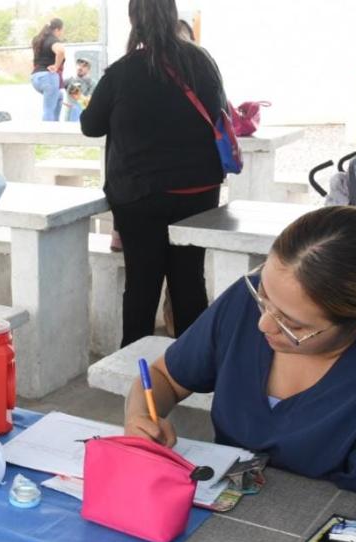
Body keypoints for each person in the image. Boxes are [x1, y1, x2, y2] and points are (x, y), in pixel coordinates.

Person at [125, 200, 356, 503]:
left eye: (292, 325)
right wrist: (140, 416)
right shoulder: (245, 304)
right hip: (218, 511)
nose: (263, 325)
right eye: (264, 296)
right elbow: (164, 376)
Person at [80, 0, 227, 348]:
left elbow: (90, 126)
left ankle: (136, 366)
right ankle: (195, 369)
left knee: (142, 283)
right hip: (199, 191)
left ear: (134, 20)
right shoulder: (201, 61)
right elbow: (220, 110)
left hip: (140, 195)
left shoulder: (122, 72)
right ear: (173, 15)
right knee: (189, 280)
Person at [30, 18, 66, 121]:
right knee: (48, 110)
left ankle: (55, 124)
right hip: (48, 78)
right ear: (57, 30)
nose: (61, 34)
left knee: (59, 96)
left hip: (35, 78)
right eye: (61, 31)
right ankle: (48, 134)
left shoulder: (38, 39)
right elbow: (61, 51)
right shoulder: (53, 40)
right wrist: (56, 66)